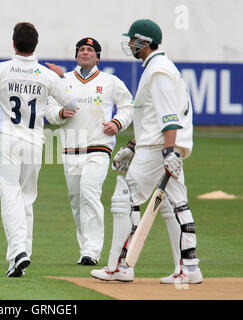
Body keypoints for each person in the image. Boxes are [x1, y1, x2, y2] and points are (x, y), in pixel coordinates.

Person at [91, 19, 203, 284]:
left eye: (132, 40)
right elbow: (152, 117)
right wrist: (132, 146)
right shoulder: (159, 67)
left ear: (144, 41)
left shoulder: (159, 71)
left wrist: (168, 153)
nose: (129, 44)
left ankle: (120, 266)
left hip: (158, 149)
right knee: (176, 205)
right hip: (157, 145)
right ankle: (189, 267)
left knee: (124, 199)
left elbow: (169, 117)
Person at [0, 22, 77, 277]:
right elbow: (72, 103)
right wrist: (61, 77)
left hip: (7, 138)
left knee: (10, 196)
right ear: (36, 44)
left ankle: (18, 251)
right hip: (34, 142)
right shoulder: (47, 74)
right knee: (26, 199)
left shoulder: (1, 69)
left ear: (14, 43)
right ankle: (22, 255)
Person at [44, 37, 134, 266]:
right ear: (76, 55)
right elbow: (50, 109)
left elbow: (128, 106)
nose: (85, 52)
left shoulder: (110, 81)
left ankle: (91, 251)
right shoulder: (63, 81)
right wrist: (60, 114)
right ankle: (85, 247)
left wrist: (118, 123)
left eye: (90, 50)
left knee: (89, 193)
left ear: (98, 57)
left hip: (98, 147)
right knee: (76, 201)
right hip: (70, 149)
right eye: (81, 49)